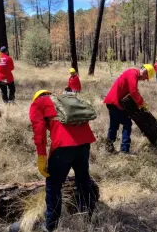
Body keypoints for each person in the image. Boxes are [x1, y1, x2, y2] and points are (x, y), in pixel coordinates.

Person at [29, 90, 97, 232]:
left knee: (53, 186)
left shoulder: (38, 104)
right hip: (84, 143)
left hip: (63, 147)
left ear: (36, 98)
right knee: (83, 180)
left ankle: (51, 226)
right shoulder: (65, 98)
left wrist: (42, 157)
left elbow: (39, 131)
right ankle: (89, 218)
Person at [103, 64, 155, 153]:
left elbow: (133, 91)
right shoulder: (133, 74)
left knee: (114, 125)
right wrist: (142, 104)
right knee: (127, 123)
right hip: (114, 102)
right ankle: (124, 149)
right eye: (146, 77)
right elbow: (133, 91)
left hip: (112, 102)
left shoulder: (133, 74)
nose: (145, 80)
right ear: (145, 72)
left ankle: (109, 148)